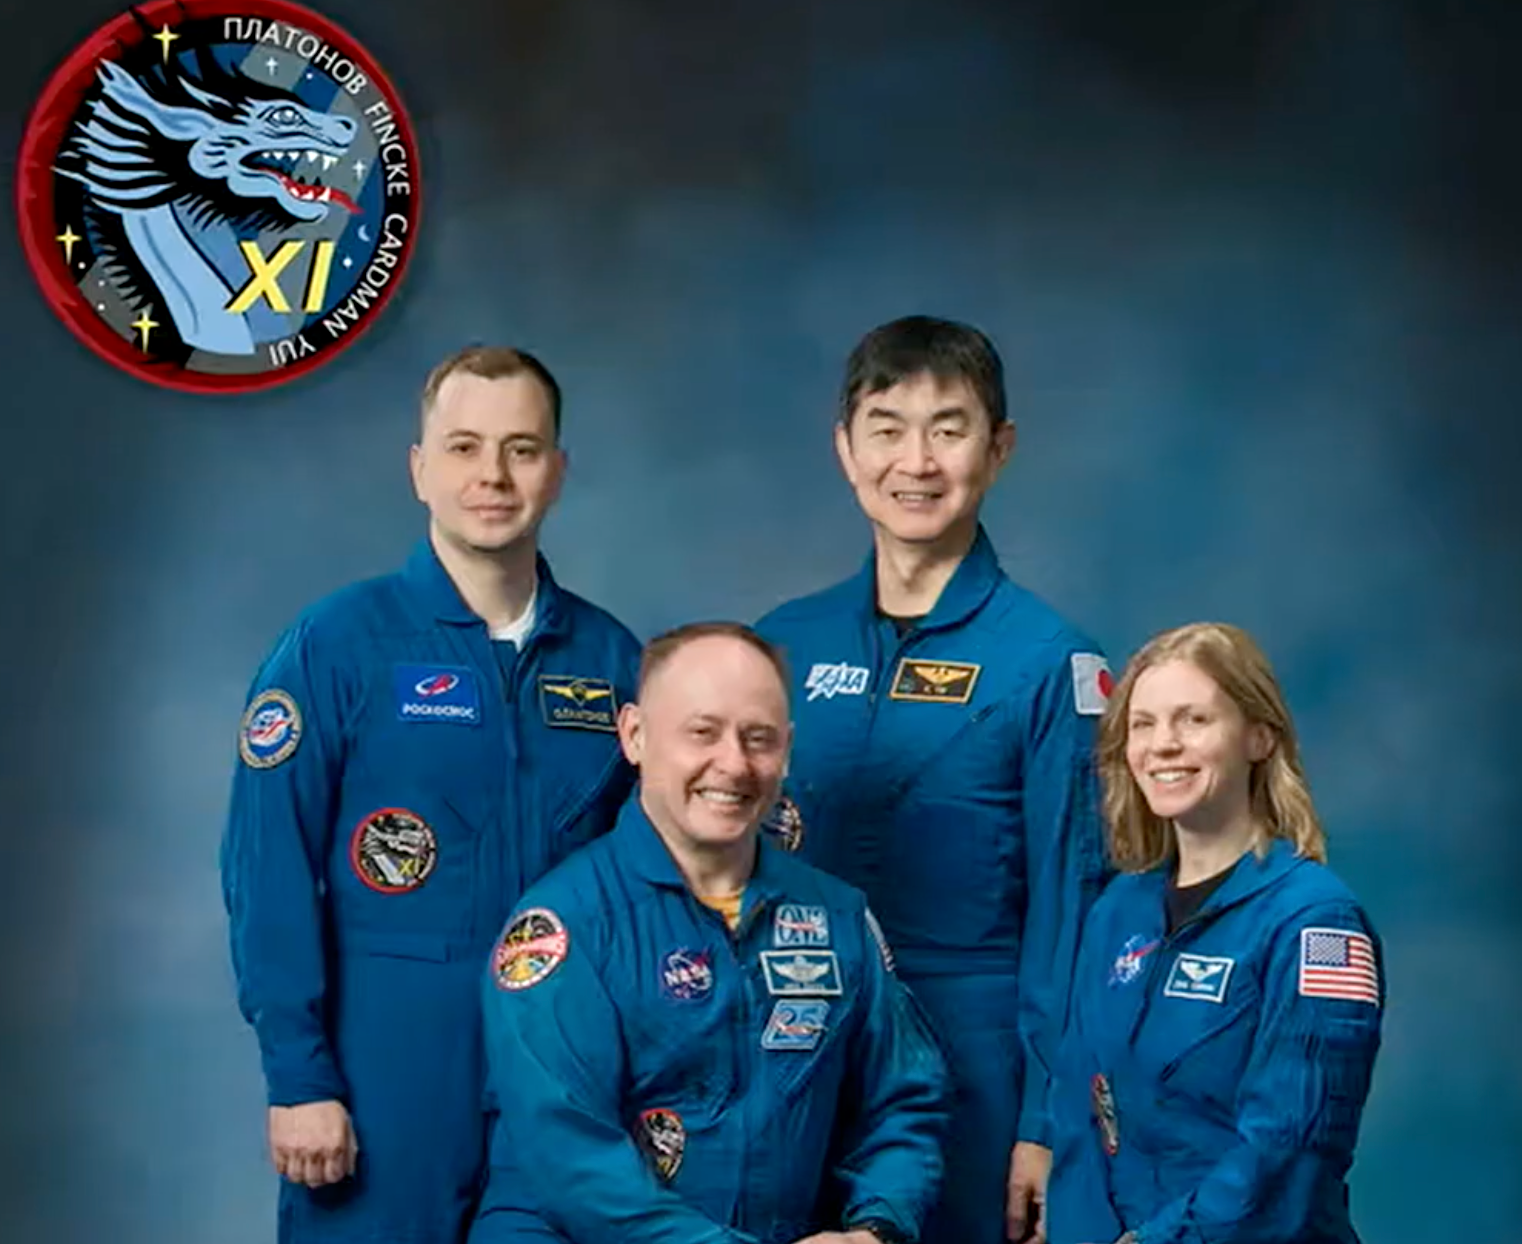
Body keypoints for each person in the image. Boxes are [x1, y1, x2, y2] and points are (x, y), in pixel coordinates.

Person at [221, 346, 642, 1244]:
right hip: (387, 1070)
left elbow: (655, 878)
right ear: (419, 469)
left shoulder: (612, 665)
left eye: (522, 449)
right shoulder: (337, 646)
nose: (491, 475)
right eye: (462, 447)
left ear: (558, 473)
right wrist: (300, 1077)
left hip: (557, 1073)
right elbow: (269, 872)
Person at [756, 316, 1111, 1244]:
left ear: (998, 450)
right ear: (844, 449)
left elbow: (1078, 917)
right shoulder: (781, 644)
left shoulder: (1052, 665)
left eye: (948, 429)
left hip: (978, 1069)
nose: (915, 461)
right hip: (798, 1054)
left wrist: (1045, 1125)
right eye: (886, 427)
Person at [471, 622, 952, 1244]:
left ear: (787, 749)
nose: (733, 764)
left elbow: (906, 1103)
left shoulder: (836, 918)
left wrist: (876, 1227)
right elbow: (574, 1166)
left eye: (759, 738)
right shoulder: (563, 928)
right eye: (702, 732)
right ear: (635, 735)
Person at [1046, 622, 1385, 1244]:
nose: (1163, 745)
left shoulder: (1316, 923)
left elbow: (1289, 1150)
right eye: (1143, 724)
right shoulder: (1118, 912)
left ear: (1259, 737)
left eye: (1193, 720)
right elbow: (1079, 1110)